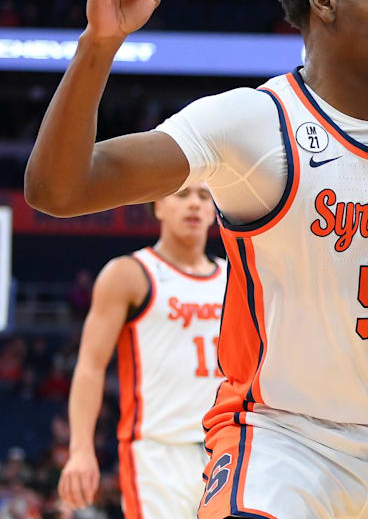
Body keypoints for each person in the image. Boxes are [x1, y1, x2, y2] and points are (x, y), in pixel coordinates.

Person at [27, 0, 368, 518]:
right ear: (324, 2)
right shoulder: (251, 122)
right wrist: (98, 44)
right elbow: (58, 189)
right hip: (281, 438)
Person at [58, 184, 225, 518]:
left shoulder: (237, 276)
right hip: (157, 452)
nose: (194, 204)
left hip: (227, 446)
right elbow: (90, 365)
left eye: (204, 197)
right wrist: (80, 449)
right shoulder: (128, 274)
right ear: (158, 205)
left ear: (215, 211)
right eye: (182, 195)